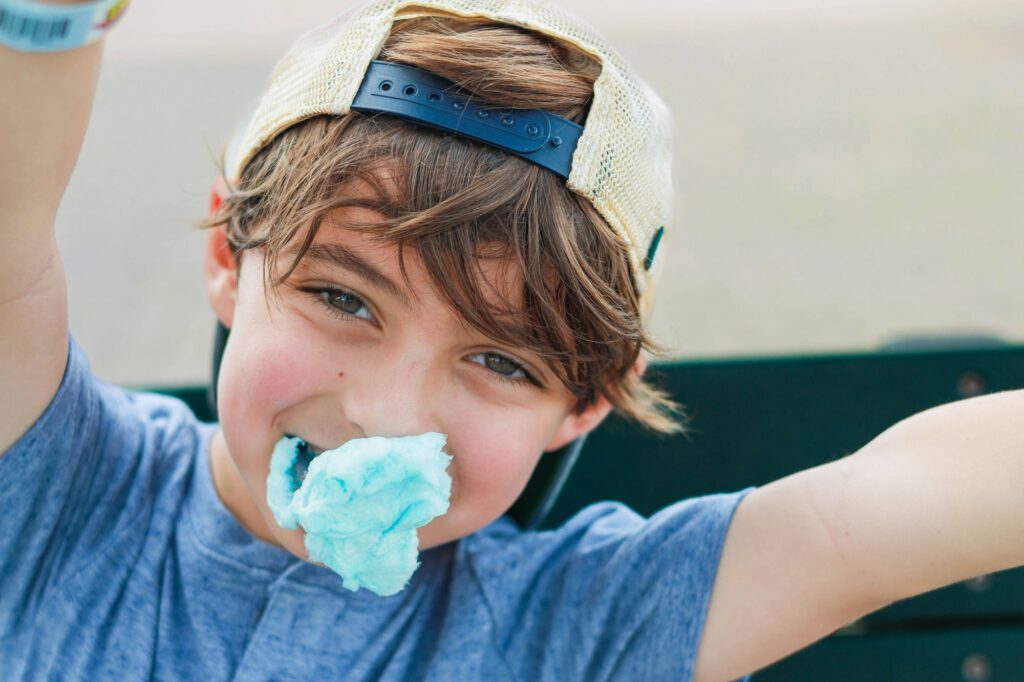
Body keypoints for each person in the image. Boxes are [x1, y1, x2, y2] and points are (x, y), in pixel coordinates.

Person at [1, 1, 1022, 681]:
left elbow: (866, 521)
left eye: (498, 360)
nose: (385, 415)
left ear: (585, 400)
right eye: (343, 298)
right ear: (232, 256)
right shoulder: (59, 487)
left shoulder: (578, 627)